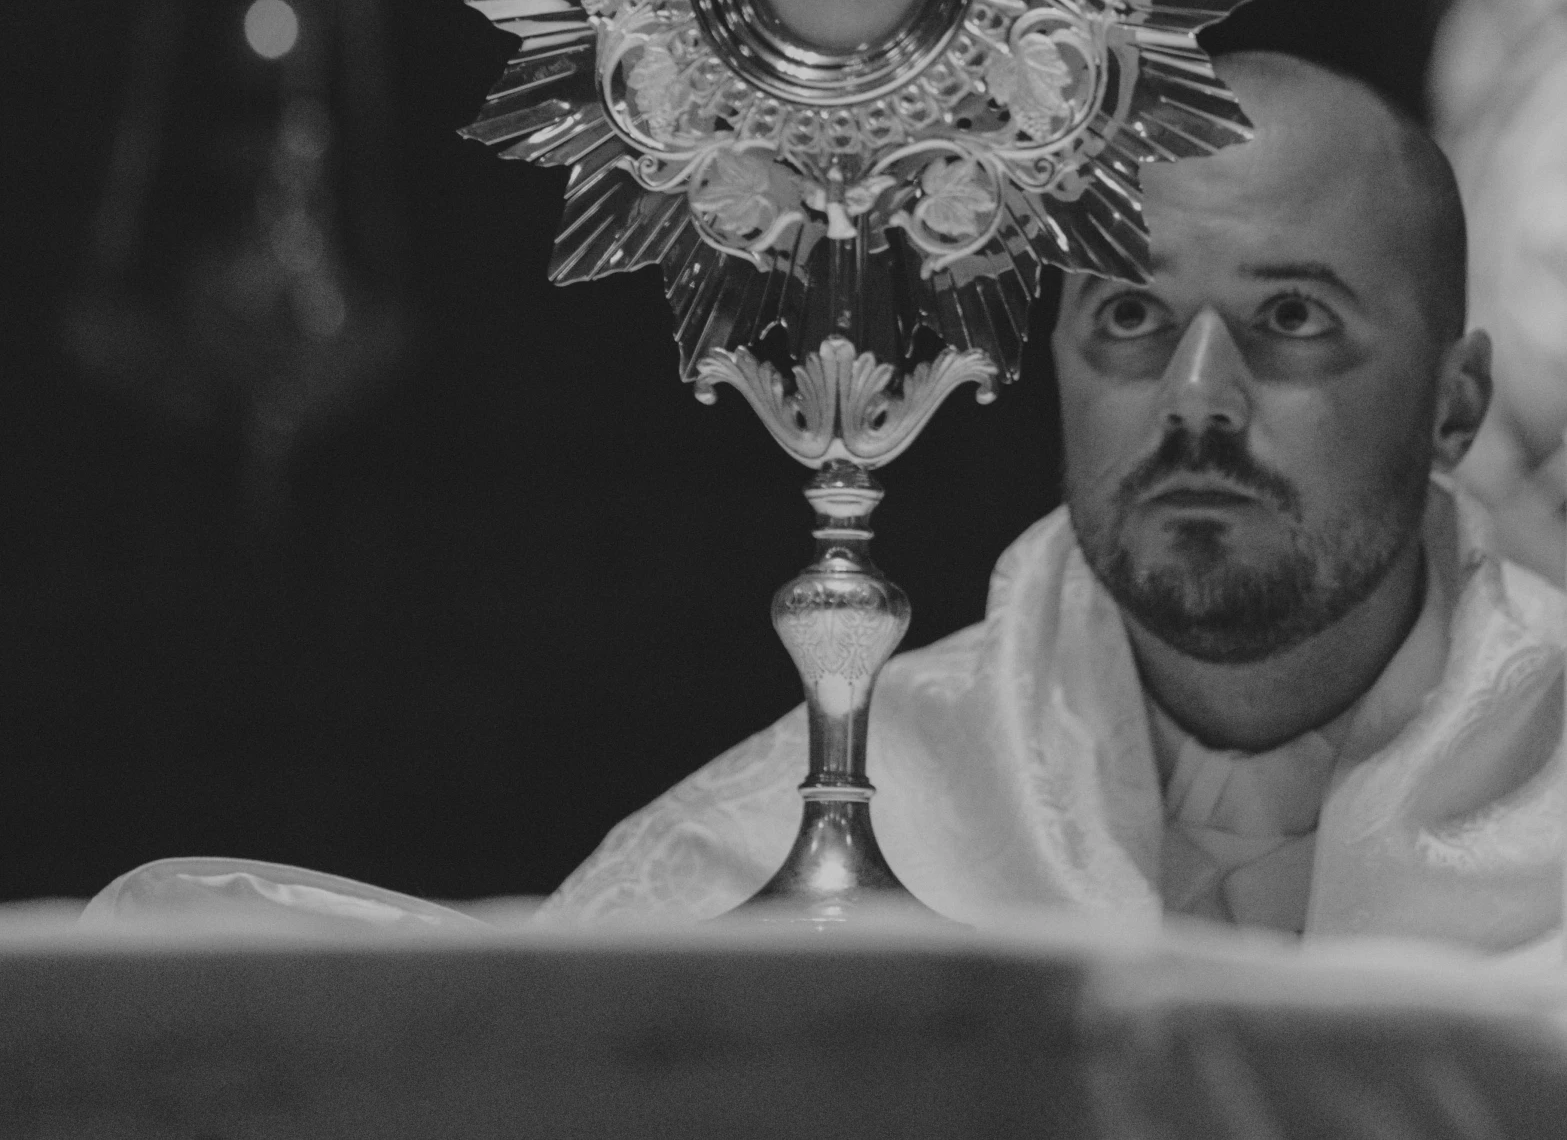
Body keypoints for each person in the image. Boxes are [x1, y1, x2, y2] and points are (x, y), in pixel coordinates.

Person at [542, 52, 1565, 948]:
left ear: (1454, 403)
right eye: (1131, 315)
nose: (1197, 400)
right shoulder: (801, 840)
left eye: (1289, 316)